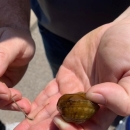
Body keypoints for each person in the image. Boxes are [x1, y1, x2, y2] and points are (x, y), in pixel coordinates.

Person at [0, 0, 130, 129]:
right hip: (52, 26)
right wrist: (12, 22)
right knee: (61, 78)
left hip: (110, 40)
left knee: (116, 106)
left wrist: (127, 21)